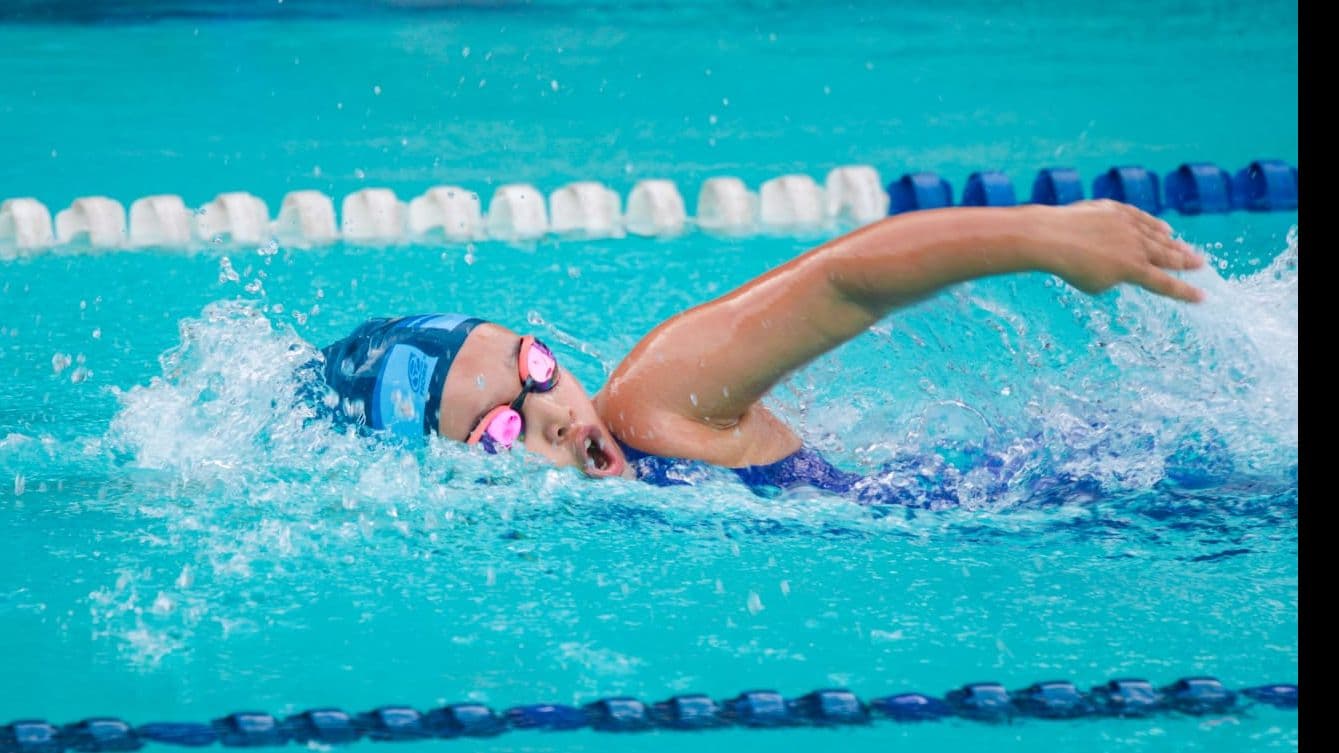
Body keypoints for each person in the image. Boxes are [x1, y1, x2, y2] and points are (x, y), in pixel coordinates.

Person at [316, 200, 1204, 499]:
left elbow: (840, 283)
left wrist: (1043, 234)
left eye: (537, 369)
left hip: (1114, 498)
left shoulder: (648, 406)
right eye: (499, 431)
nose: (552, 413)